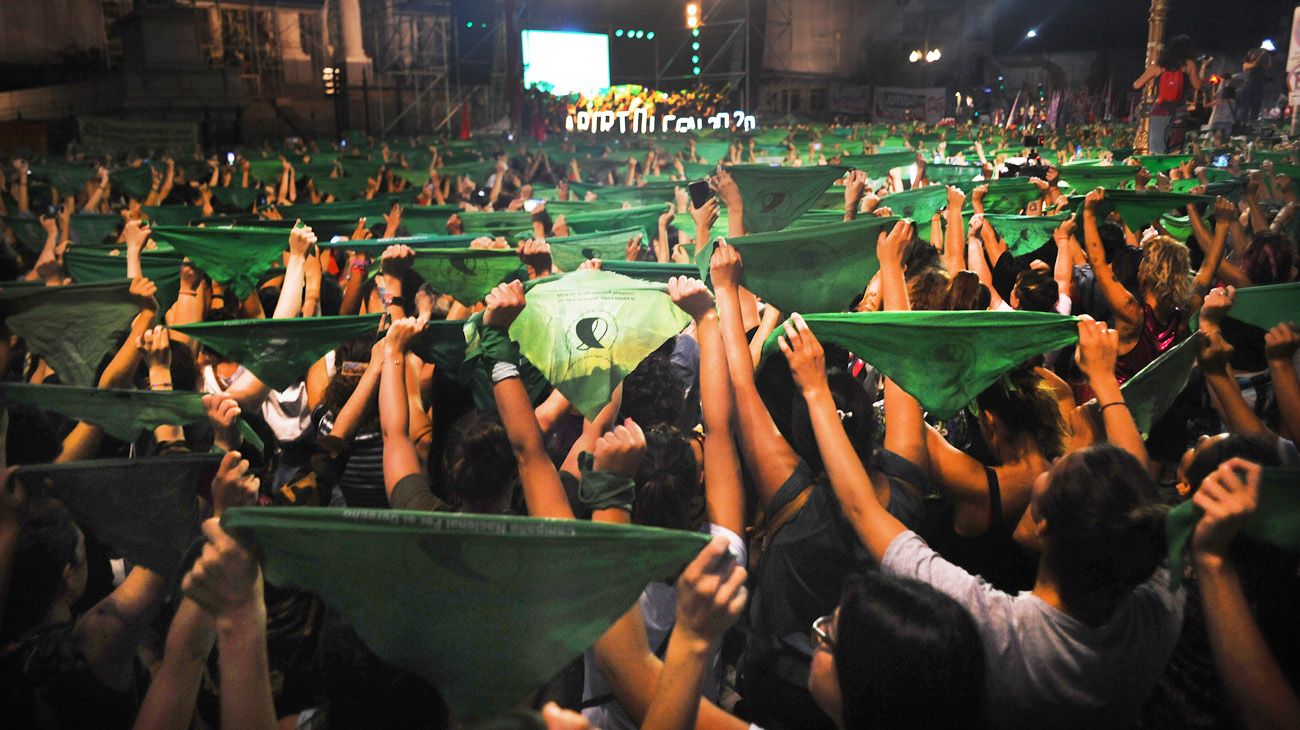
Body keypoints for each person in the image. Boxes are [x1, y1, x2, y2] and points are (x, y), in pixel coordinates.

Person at [777, 314, 1184, 728]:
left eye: (1054, 472)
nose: (1049, 464)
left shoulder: (1007, 636)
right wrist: (1104, 381)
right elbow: (1138, 500)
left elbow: (863, 511)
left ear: (1045, 527)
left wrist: (815, 392)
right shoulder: (1156, 603)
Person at [1133, 35, 1202, 154]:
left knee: (1156, 147)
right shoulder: (1189, 65)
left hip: (1160, 109)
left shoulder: (1159, 66)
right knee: (1176, 148)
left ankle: (1158, 171)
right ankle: (1173, 171)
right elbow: (1198, 86)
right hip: (1179, 111)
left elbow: (1137, 85)